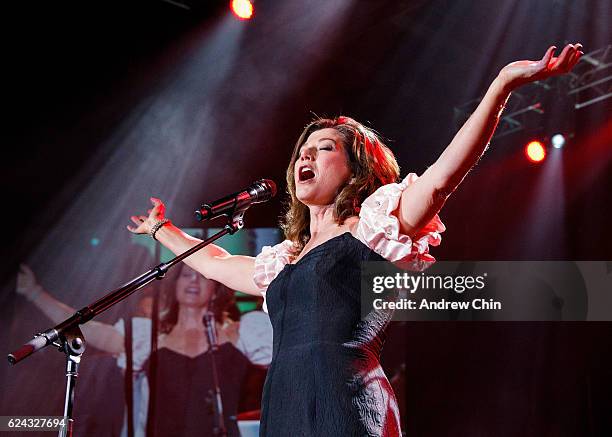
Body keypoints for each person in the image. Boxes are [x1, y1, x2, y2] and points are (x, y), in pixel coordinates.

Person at [126, 44, 583, 436]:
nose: (307, 154)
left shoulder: (377, 227)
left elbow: (444, 177)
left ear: (356, 170)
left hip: (346, 398)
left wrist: (501, 85)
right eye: (303, 151)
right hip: (284, 404)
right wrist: (161, 230)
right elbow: (216, 262)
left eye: (325, 148)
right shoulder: (283, 260)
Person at [17, 263, 273, 437]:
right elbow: (94, 333)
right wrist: (34, 292)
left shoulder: (242, 332)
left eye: (202, 276)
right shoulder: (149, 335)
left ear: (216, 287)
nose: (193, 281)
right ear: (174, 284)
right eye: (186, 274)